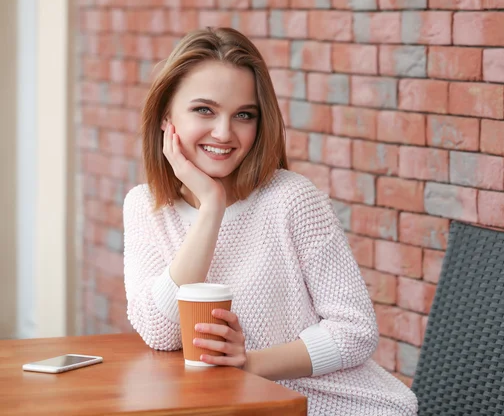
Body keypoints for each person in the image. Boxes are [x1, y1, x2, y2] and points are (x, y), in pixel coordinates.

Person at [122, 27, 418, 416]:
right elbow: (160, 333)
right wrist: (212, 207)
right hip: (228, 405)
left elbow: (356, 331)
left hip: (333, 405)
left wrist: (249, 364)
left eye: (243, 115)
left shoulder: (292, 199)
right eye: (204, 110)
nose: (224, 133)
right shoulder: (146, 206)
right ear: (166, 117)